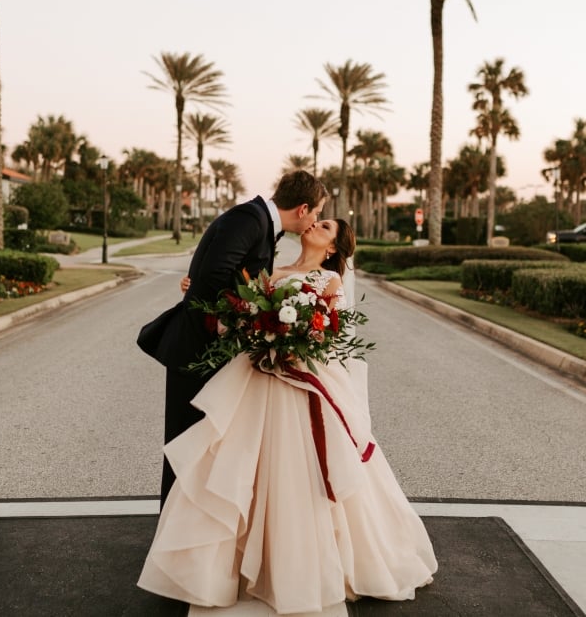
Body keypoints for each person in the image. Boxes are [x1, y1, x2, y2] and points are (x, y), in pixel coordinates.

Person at [139, 218, 437, 614]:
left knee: (296, 470)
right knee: (239, 464)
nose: (315, 224)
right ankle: (230, 564)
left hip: (300, 382)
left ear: (333, 248)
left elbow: (329, 337)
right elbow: (235, 320)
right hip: (257, 377)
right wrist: (198, 296)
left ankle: (298, 564)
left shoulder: (328, 282)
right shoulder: (271, 274)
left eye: (325, 226)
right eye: (316, 220)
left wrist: (296, 342)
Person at [139, 171, 328, 506]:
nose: (315, 220)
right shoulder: (250, 219)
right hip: (197, 349)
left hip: (213, 351)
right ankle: (175, 537)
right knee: (187, 444)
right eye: (316, 213)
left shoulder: (260, 223)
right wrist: (254, 314)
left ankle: (195, 533)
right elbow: (214, 276)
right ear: (302, 209)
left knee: (204, 446)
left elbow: (219, 274)